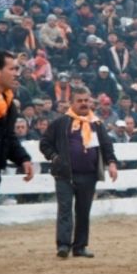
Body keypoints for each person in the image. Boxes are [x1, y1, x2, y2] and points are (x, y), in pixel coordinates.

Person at [39, 86, 119, 258]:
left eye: (86, 100)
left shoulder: (96, 124)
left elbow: (106, 145)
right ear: (71, 102)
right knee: (65, 210)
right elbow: (44, 143)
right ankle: (63, 246)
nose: (83, 104)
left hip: (88, 175)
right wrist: (54, 157)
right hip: (65, 175)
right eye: (79, 101)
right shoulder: (60, 123)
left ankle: (80, 247)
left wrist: (111, 163)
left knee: (83, 212)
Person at [0, 50, 33, 194]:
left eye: (17, 69)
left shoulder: (9, 104)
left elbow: (8, 136)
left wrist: (23, 158)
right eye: (11, 69)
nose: (17, 74)